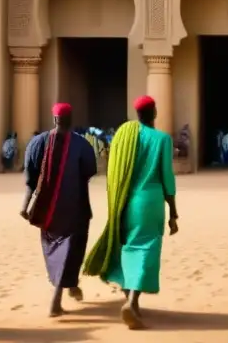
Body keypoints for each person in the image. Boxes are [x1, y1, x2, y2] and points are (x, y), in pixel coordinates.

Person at [84, 95, 179, 330]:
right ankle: (132, 300)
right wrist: (173, 212)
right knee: (147, 249)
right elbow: (167, 177)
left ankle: (132, 302)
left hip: (126, 201)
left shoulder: (123, 138)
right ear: (153, 113)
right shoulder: (162, 139)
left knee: (127, 248)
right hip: (150, 202)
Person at [22, 103, 97, 317]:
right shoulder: (82, 145)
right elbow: (89, 172)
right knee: (72, 251)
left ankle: (71, 285)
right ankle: (56, 298)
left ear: (54, 119)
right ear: (70, 119)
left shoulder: (37, 143)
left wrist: (25, 205)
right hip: (76, 208)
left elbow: (30, 178)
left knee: (54, 250)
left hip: (48, 211)